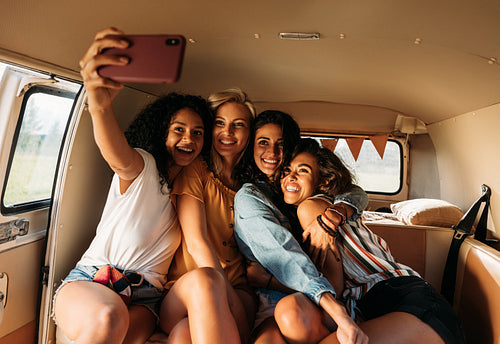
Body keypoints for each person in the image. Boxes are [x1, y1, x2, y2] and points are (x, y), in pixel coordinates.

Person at [53, 28, 237, 344]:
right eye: (178, 130)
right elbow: (115, 153)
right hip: (93, 282)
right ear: (160, 132)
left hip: (147, 301)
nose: (188, 139)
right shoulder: (143, 168)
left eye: (197, 133)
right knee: (108, 318)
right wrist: (99, 105)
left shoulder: (191, 190)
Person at [276, 138, 466, 344]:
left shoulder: (310, 207)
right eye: (286, 171)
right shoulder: (337, 206)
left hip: (404, 300)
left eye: (302, 170)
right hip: (373, 304)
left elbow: (334, 286)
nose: (290, 177)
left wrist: (270, 281)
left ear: (324, 181)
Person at [234, 110, 369, 344]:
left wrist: (335, 215)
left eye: (281, 144)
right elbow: (284, 255)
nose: (272, 153)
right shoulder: (250, 197)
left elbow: (354, 191)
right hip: (280, 300)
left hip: (315, 299)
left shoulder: (304, 194)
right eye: (263, 142)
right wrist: (338, 312)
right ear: (250, 148)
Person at [165, 87, 257, 343]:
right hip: (186, 288)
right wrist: (230, 302)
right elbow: (196, 244)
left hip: (239, 285)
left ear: (249, 133)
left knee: (184, 334)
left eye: (238, 125)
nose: (227, 133)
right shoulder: (196, 170)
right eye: (219, 123)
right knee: (206, 283)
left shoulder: (250, 184)